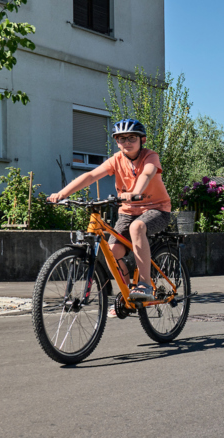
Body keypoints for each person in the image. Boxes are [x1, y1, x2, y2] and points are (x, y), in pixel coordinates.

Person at [47, 118, 171, 302]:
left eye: (132, 138)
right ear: (116, 142)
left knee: (137, 228)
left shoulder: (150, 156)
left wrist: (135, 192)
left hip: (157, 209)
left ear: (142, 140)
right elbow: (91, 175)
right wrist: (62, 193)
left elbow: (148, 173)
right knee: (113, 251)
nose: (127, 142)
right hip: (128, 211)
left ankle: (144, 284)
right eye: (121, 139)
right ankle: (129, 294)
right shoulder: (116, 159)